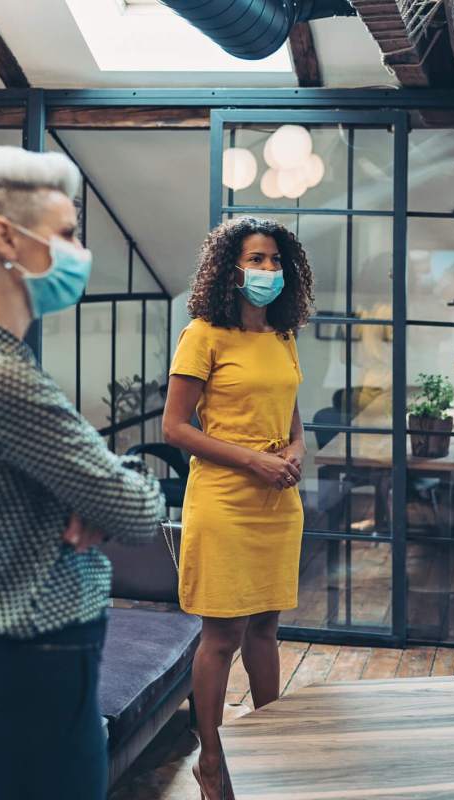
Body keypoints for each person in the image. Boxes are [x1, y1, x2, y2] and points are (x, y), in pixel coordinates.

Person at [0, 146, 166, 800]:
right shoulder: (2, 379)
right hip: (26, 675)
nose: (79, 251)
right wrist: (104, 486)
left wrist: (91, 487)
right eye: (67, 233)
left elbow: (101, 493)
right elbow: (137, 512)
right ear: (5, 237)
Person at [162, 216, 313, 800]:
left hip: (279, 499)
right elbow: (174, 428)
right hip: (225, 500)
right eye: (256, 260)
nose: (267, 271)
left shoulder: (282, 334)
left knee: (267, 630)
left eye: (275, 261)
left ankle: (268, 745)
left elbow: (292, 411)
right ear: (230, 268)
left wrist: (296, 450)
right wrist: (254, 462)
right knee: (222, 635)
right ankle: (213, 760)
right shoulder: (203, 333)